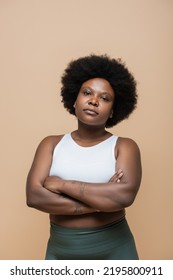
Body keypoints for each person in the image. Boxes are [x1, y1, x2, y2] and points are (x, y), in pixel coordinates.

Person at [26, 54, 142, 260]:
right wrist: (102, 202)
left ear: (114, 110)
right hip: (60, 252)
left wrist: (61, 186)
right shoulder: (51, 144)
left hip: (115, 252)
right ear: (75, 98)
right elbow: (34, 197)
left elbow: (124, 197)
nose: (94, 101)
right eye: (87, 93)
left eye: (105, 98)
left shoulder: (124, 146)